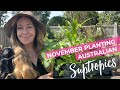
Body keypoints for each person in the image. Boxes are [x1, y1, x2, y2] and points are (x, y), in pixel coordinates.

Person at [3, 11, 53, 79]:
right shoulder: (9, 55)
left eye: (29, 27)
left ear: (36, 30)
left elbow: (66, 53)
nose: (25, 32)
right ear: (16, 32)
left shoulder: (46, 51)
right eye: (20, 28)